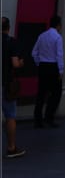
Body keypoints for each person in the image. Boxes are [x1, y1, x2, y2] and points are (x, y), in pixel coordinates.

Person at [31, 15, 64, 128]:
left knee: (41, 93)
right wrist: (60, 70)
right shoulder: (58, 38)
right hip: (53, 67)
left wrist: (38, 63)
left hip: (43, 66)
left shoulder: (42, 36)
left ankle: (38, 119)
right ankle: (49, 117)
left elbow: (34, 52)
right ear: (58, 25)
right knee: (56, 93)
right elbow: (59, 55)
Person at [2, 17, 25, 158]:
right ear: (8, 28)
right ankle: (11, 147)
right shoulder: (11, 42)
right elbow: (16, 64)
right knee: (10, 116)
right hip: (6, 84)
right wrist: (22, 63)